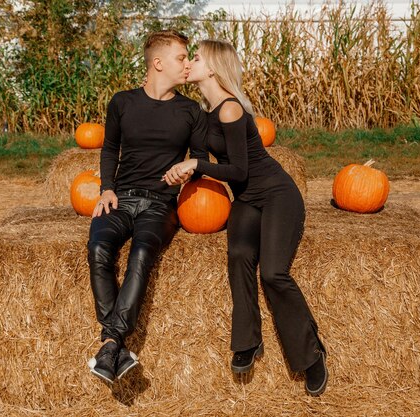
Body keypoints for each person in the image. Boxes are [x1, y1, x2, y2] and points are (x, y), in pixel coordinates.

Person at [163, 39, 328, 396]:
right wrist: (180, 172)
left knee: (273, 272)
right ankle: (248, 340)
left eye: (196, 57)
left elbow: (237, 170)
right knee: (238, 256)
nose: (189, 62)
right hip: (246, 201)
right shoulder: (203, 114)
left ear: (212, 67)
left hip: (276, 195)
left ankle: (311, 354)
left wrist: (197, 164)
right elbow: (199, 157)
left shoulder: (230, 110)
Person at [87, 29, 208, 385]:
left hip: (162, 204)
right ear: (158, 63)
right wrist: (107, 188)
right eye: (181, 57)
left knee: (141, 252)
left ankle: (110, 342)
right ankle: (116, 346)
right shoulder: (122, 102)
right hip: (120, 198)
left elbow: (201, 160)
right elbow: (110, 149)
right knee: (98, 246)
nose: (187, 63)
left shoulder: (191, 111)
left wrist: (187, 175)